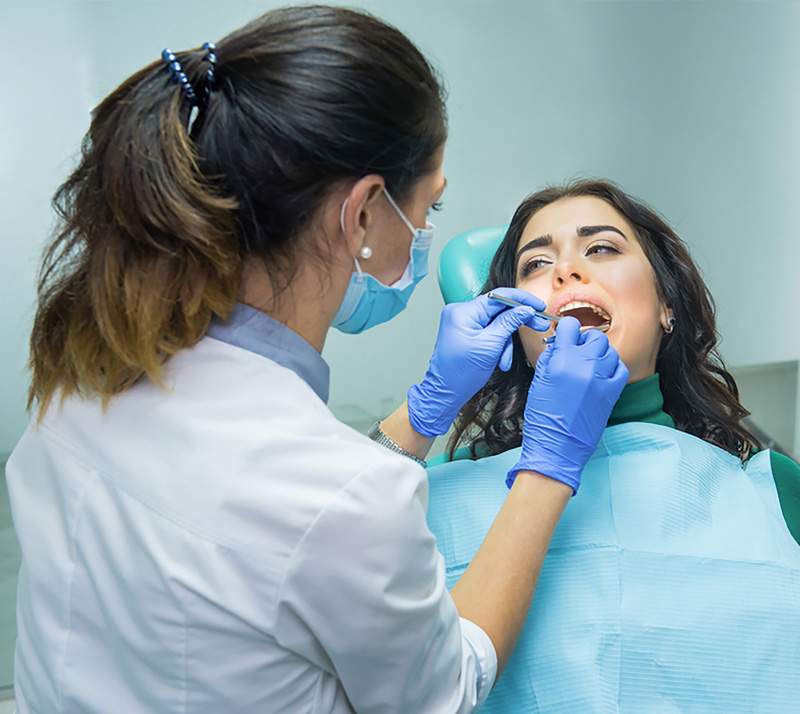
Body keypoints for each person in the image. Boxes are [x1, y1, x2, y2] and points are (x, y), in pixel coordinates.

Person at [5, 8, 628, 714]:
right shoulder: (347, 496)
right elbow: (446, 688)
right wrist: (549, 466)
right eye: (428, 210)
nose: (425, 236)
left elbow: (300, 518)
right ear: (363, 213)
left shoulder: (83, 376)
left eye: (602, 249)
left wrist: (421, 412)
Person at [426, 179, 800, 713]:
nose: (565, 271)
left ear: (667, 305)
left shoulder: (775, 490)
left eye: (601, 248)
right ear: (516, 328)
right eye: (535, 264)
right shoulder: (430, 492)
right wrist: (420, 413)